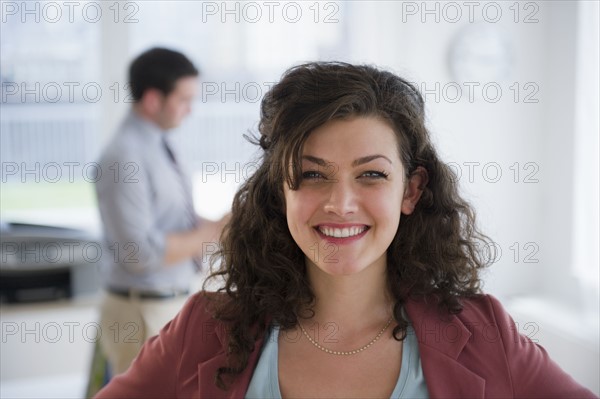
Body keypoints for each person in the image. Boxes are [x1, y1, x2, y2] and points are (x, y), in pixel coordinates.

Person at [94, 62, 597, 398]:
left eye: (371, 174)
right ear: (280, 189)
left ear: (411, 190)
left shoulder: (486, 335)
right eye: (313, 174)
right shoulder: (206, 328)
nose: (340, 203)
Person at [94, 47, 226, 377]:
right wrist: (212, 232)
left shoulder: (161, 145)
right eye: (183, 100)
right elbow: (140, 254)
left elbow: (175, 223)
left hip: (166, 303)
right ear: (153, 99)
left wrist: (228, 224)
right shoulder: (124, 157)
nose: (190, 110)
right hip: (142, 312)